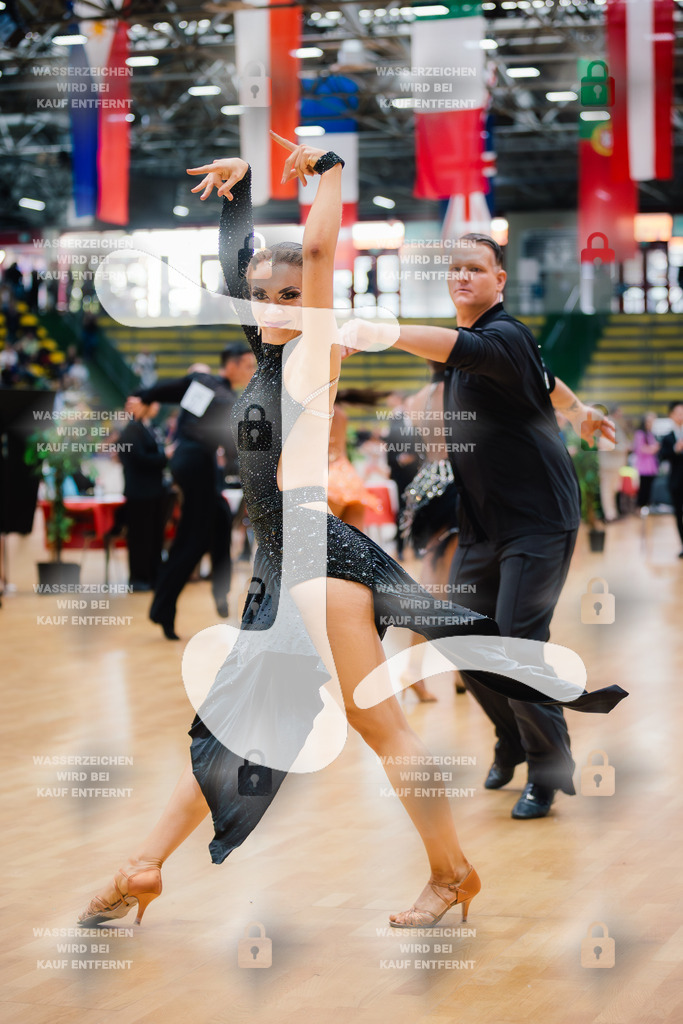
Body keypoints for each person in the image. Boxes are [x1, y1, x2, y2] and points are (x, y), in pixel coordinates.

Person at [77, 140, 625, 936]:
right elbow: (240, 267)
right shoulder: (266, 350)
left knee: (310, 721)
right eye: (263, 296)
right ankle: (154, 865)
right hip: (290, 561)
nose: (275, 305)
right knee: (301, 723)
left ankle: (150, 864)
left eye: (291, 295)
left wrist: (329, 172)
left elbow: (318, 253)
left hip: (314, 556)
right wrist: (237, 199)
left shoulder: (308, 351)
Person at [343, 233, 618, 819]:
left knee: (517, 646)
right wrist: (579, 412)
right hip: (481, 523)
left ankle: (549, 768)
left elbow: (464, 348)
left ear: (499, 280)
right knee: (462, 641)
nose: (463, 276)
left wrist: (376, 330)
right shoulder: (475, 353)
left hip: (539, 520)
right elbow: (547, 382)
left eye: (475, 268)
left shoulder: (505, 335)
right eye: (455, 269)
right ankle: (513, 739)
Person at [131, 342, 256, 638]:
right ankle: (163, 608)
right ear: (232, 365)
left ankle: (219, 590)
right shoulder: (225, 397)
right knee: (193, 540)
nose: (251, 371)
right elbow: (231, 445)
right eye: (248, 366)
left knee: (221, 517)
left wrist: (143, 396)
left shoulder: (205, 384)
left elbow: (168, 390)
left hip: (191, 462)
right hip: (197, 463)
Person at [400, 361, 464, 702]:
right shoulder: (462, 394)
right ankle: (453, 670)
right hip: (455, 487)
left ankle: (426, 670)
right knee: (451, 586)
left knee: (433, 582)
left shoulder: (417, 398)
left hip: (426, 487)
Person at [117, 400, 170, 592]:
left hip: (155, 491)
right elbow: (138, 459)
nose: (157, 406)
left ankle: (154, 575)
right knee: (141, 537)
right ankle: (140, 578)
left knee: (155, 536)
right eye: (153, 403)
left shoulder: (150, 427)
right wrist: (165, 456)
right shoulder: (132, 430)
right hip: (140, 493)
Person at [658, 400, 683, 557]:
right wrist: (676, 449)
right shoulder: (667, 437)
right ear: (671, 415)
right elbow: (663, 456)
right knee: (678, 514)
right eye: (678, 413)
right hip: (676, 482)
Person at [632, 411, 660, 509]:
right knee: (643, 487)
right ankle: (640, 506)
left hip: (652, 466)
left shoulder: (650, 434)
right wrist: (653, 449)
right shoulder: (640, 434)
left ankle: (647, 506)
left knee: (649, 488)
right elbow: (640, 449)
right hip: (643, 466)